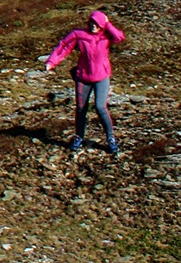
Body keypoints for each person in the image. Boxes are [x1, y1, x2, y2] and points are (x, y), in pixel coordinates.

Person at [46, 9, 126, 156]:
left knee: (100, 107)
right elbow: (64, 46)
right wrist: (52, 61)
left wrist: (107, 23)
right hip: (83, 77)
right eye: (91, 23)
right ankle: (79, 136)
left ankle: (111, 138)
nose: (93, 26)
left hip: (102, 77)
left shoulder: (106, 36)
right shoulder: (79, 34)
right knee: (81, 108)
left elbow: (119, 37)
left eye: (97, 23)